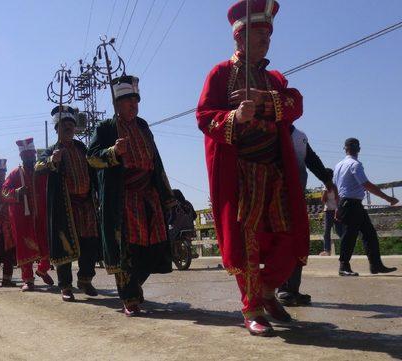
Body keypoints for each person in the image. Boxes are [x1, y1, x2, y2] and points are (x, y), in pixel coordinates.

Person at [196, 0, 310, 336]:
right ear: (241, 37)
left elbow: (296, 103)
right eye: (260, 34)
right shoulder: (220, 74)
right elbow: (204, 117)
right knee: (248, 242)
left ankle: (267, 290)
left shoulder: (274, 78)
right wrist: (234, 117)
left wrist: (266, 101)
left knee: (289, 240)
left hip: (275, 173)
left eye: (269, 35)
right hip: (242, 173)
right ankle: (252, 307)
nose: (267, 40)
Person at [88, 75, 176, 316]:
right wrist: (113, 151)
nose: (133, 105)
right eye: (128, 101)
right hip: (123, 197)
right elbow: (92, 157)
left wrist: (166, 194)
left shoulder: (143, 126)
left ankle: (133, 285)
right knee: (127, 249)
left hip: (149, 194)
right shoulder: (106, 128)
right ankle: (129, 297)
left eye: (136, 101)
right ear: (117, 104)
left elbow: (156, 160)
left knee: (156, 246)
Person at [36, 106, 100, 302]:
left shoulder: (82, 148)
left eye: (71, 124)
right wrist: (51, 161)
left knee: (90, 243)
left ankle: (85, 279)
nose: (69, 128)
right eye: (64, 125)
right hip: (65, 206)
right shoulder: (51, 151)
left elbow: (94, 168)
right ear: (57, 129)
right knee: (64, 246)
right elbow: (38, 167)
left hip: (86, 205)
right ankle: (65, 285)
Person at [277, 126, 337, 306]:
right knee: (281, 243)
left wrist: (326, 180)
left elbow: (311, 159)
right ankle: (281, 288)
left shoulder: (299, 136)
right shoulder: (269, 131)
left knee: (299, 241)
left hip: (297, 196)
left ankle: (293, 289)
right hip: (275, 198)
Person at [334, 138, 399, 276]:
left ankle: (376, 265)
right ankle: (344, 266)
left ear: (345, 149)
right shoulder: (355, 164)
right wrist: (387, 198)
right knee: (350, 235)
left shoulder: (339, 165)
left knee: (369, 234)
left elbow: (336, 189)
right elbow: (366, 184)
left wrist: (336, 208)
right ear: (359, 149)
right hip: (351, 204)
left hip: (348, 204)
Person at [2, 138, 54, 291]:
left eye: (31, 156)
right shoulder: (14, 174)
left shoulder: (41, 170)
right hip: (22, 218)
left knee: (47, 244)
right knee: (25, 248)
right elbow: (4, 193)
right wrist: (17, 192)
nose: (29, 159)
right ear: (21, 157)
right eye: (26, 157)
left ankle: (42, 270)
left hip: (42, 214)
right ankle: (28, 279)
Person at [320, 186, 344, 256]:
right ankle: (347, 249)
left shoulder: (326, 186)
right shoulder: (338, 185)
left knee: (326, 232)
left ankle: (327, 251)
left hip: (329, 210)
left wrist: (324, 194)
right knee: (340, 231)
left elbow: (323, 199)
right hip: (338, 210)